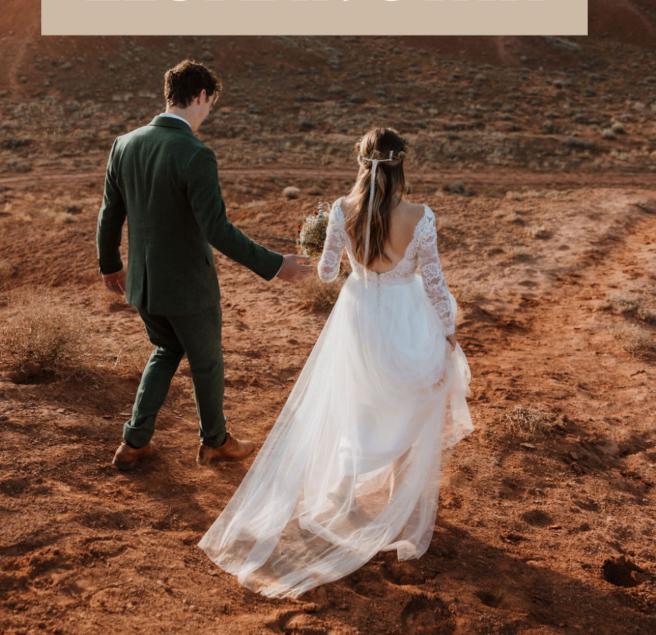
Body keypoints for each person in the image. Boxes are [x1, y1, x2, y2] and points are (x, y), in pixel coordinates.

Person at [199, 126, 473, 599]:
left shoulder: (342, 212)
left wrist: (328, 246)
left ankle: (341, 493)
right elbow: (434, 283)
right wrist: (448, 330)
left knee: (357, 400)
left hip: (359, 314)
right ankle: (393, 498)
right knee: (410, 399)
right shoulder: (421, 216)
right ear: (401, 162)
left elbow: (326, 273)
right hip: (407, 318)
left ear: (360, 160)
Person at [96, 59, 312, 472]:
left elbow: (110, 213)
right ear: (199, 96)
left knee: (166, 348)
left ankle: (135, 441)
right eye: (209, 103)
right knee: (207, 363)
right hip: (188, 287)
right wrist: (274, 265)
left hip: (141, 283)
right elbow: (217, 229)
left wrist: (110, 264)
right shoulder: (195, 154)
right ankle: (214, 442)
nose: (208, 112)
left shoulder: (124, 144)